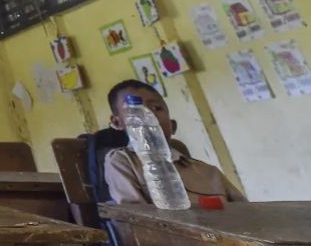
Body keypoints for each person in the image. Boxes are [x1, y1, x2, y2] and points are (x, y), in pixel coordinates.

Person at [103, 79, 245, 203]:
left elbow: (250, 215)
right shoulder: (122, 162)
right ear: (117, 122)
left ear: (172, 126)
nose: (148, 115)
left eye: (156, 108)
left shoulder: (209, 172)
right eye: (134, 109)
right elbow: (135, 221)